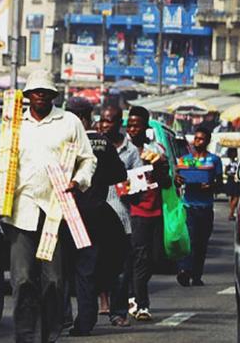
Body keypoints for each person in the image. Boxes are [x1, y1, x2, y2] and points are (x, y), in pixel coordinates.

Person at [5, 70, 96, 343]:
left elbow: (88, 159)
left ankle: (49, 336)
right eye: (36, 91)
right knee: (21, 280)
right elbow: (4, 165)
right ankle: (24, 336)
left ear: (53, 95)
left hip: (54, 211)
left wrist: (78, 181)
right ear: (29, 96)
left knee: (54, 281)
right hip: (21, 211)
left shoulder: (68, 122)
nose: (41, 95)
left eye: (46, 91)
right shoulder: (15, 124)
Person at [64, 98, 127, 337]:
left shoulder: (63, 140)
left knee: (61, 267)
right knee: (85, 268)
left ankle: (61, 317)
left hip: (64, 212)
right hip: (94, 211)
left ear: (78, 118)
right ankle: (85, 320)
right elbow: (119, 174)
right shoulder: (103, 142)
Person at [97, 103, 143, 328]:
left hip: (121, 217)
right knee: (92, 266)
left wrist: (130, 187)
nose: (106, 125)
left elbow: (138, 187)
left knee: (121, 270)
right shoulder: (91, 146)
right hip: (93, 215)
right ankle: (92, 308)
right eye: (103, 120)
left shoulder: (131, 151)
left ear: (119, 123)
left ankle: (118, 312)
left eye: (110, 121)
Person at [126, 105, 172, 321]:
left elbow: (167, 181)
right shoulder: (124, 150)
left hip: (156, 210)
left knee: (153, 258)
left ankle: (132, 294)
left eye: (137, 125)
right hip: (135, 212)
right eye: (130, 125)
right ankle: (141, 303)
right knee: (140, 257)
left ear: (146, 126)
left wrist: (159, 167)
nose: (132, 129)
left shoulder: (156, 149)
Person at [175, 126, 223, 287]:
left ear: (208, 141)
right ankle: (184, 270)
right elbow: (177, 178)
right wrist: (178, 179)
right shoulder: (185, 159)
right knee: (189, 239)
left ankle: (196, 275)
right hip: (189, 206)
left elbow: (219, 183)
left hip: (205, 207)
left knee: (201, 242)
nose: (197, 142)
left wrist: (210, 186)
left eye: (201, 139)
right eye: (195, 138)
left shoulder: (214, 160)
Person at [224, 147, 240, 221]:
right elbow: (227, 171)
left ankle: (231, 213)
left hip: (231, 181)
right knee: (235, 197)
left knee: (233, 197)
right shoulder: (232, 162)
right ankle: (231, 213)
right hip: (233, 181)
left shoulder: (234, 161)